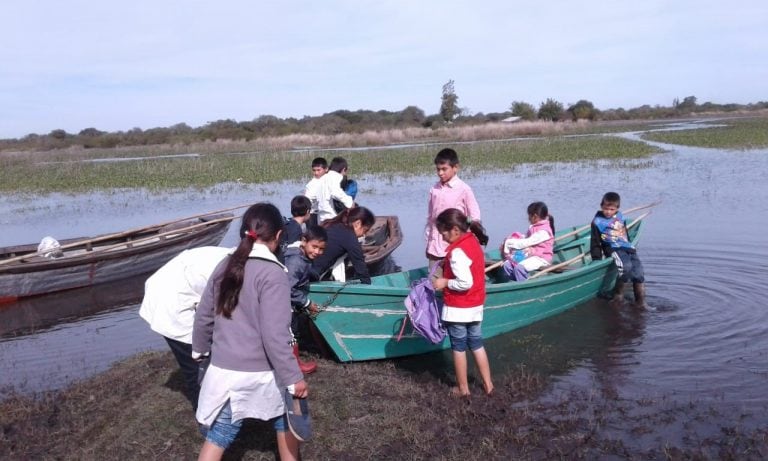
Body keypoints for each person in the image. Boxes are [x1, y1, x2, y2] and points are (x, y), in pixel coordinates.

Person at [192, 203, 308, 461]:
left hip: (224, 370)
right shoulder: (274, 274)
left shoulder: (225, 265)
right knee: (286, 422)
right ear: (279, 236)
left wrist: (199, 350)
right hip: (263, 372)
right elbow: (274, 335)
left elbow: (204, 314)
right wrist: (293, 377)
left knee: (219, 435)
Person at [139, 245, 231, 410]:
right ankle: (207, 421)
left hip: (181, 288)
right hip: (170, 302)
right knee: (196, 366)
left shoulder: (243, 257)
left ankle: (219, 408)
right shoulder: (233, 270)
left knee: (213, 356)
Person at [431, 208, 494, 397]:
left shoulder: (457, 252)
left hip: (459, 308)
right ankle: (488, 385)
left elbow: (465, 282)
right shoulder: (473, 241)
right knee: (476, 344)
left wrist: (444, 282)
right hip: (475, 306)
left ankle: (463, 389)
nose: (442, 236)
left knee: (458, 348)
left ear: (455, 230)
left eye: (443, 231)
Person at [425, 148, 481, 272]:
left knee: (456, 279)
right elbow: (430, 219)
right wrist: (428, 243)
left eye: (444, 169)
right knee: (434, 282)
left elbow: (474, 216)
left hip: (456, 246)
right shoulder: (434, 190)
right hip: (435, 247)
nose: (440, 173)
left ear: (455, 168)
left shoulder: (463, 189)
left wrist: (468, 235)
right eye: (438, 169)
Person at [590, 192, 647, 308]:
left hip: (626, 246)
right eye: (606, 209)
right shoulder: (597, 222)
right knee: (626, 267)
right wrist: (596, 259)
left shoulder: (620, 216)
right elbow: (595, 242)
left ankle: (640, 302)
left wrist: (630, 244)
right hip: (613, 247)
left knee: (639, 273)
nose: (608, 212)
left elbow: (624, 233)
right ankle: (618, 296)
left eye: (612, 209)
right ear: (601, 206)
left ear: (617, 209)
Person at [284, 225, 328, 374]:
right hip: (284, 304)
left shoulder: (302, 256)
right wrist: (307, 303)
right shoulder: (296, 261)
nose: (317, 252)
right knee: (291, 333)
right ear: (304, 241)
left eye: (321, 249)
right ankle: (294, 366)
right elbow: (288, 288)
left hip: (289, 303)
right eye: (314, 247)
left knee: (291, 331)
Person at [310, 207, 375, 284]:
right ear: (358, 224)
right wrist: (368, 285)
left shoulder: (335, 224)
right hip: (311, 275)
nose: (365, 234)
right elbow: (360, 265)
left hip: (307, 268)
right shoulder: (349, 237)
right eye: (365, 230)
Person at [499, 201, 556, 281]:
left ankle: (522, 286)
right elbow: (526, 238)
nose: (528, 218)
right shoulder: (534, 227)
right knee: (507, 265)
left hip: (541, 258)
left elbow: (527, 242)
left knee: (519, 268)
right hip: (531, 254)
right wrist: (511, 240)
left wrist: (509, 243)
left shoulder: (544, 232)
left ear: (535, 216)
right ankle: (515, 282)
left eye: (529, 215)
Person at [313, 156, 355, 224]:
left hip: (321, 217)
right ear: (344, 169)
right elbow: (335, 192)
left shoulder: (322, 178)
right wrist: (350, 203)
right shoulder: (336, 177)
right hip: (332, 218)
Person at [303, 157, 328, 226]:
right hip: (313, 215)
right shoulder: (311, 185)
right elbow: (306, 201)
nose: (316, 173)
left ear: (326, 169)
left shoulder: (331, 180)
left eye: (318, 170)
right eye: (314, 170)